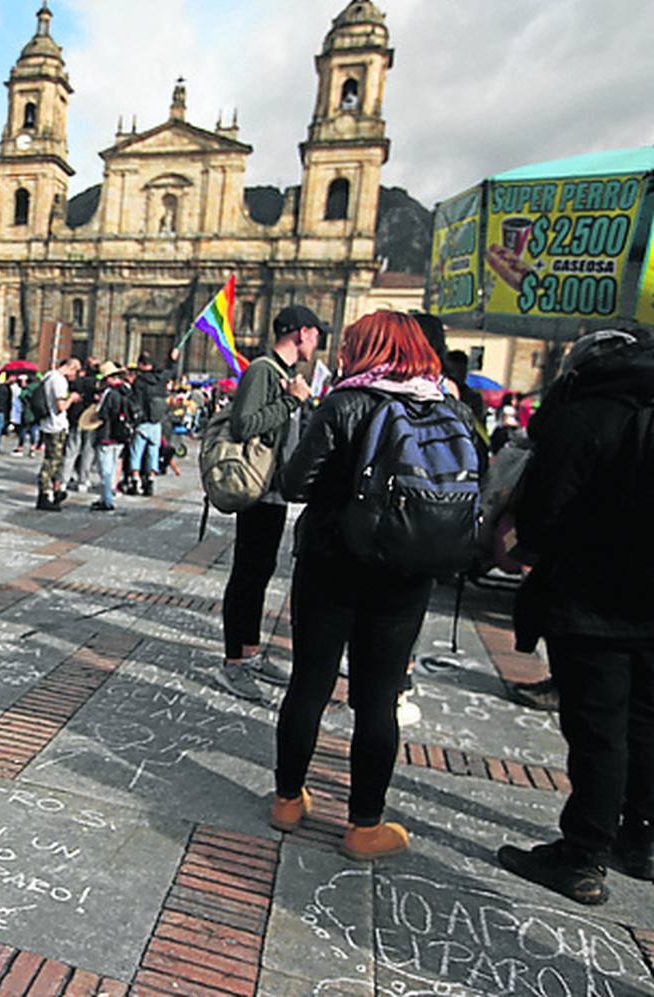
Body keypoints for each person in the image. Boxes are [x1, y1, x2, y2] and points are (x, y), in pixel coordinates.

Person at [270, 311, 478, 861]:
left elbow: (296, 483)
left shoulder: (344, 402)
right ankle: (364, 826)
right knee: (379, 699)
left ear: (365, 350)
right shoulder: (449, 406)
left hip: (331, 564)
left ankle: (288, 800)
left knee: (310, 684)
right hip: (404, 574)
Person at [499, 329, 654, 905]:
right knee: (645, 721)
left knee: (597, 731)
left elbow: (538, 522)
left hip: (590, 602)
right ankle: (642, 839)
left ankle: (584, 854)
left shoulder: (582, 417)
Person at [216, 305, 322, 701]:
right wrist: (290, 402)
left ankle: (250, 651)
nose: (318, 343)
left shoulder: (280, 375)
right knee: (247, 572)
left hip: (274, 490)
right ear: (301, 333)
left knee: (260, 570)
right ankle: (233, 662)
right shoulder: (263, 370)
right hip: (256, 488)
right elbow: (243, 424)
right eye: (316, 335)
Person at [35, 356, 81, 511]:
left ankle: (55, 491)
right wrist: (72, 399)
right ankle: (45, 495)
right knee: (52, 462)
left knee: (56, 461)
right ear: (71, 367)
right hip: (56, 425)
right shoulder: (59, 380)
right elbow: (61, 406)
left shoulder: (48, 376)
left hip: (48, 424)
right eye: (76, 371)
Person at [89, 361, 133, 512]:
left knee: (105, 470)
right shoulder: (126, 390)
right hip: (121, 435)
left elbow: (102, 414)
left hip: (107, 434)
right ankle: (107, 496)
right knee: (113, 468)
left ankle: (107, 500)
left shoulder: (109, 393)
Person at [126, 352, 168, 496]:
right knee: (153, 453)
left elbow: (135, 401)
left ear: (142, 365)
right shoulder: (160, 379)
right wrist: (172, 360)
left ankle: (136, 480)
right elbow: (170, 371)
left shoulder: (139, 381)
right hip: (156, 422)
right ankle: (150, 480)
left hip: (143, 422)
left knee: (136, 452)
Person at [60, 360, 99, 491]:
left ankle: (63, 480)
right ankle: (83, 480)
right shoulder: (97, 385)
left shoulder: (75, 383)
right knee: (88, 451)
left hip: (76, 419)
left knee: (71, 451)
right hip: (91, 420)